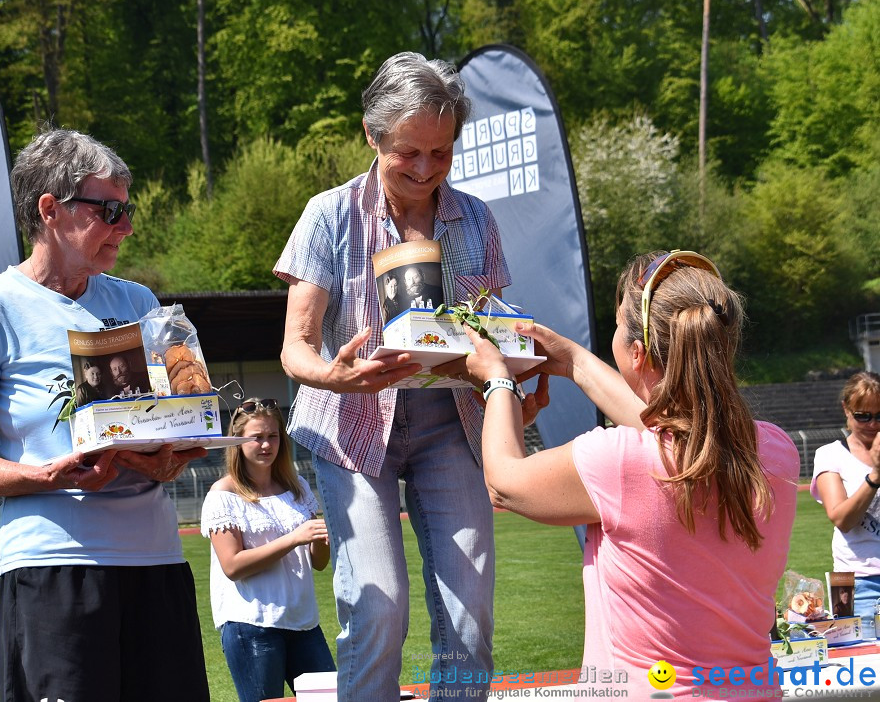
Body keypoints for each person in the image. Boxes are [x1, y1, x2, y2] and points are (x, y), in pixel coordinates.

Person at [439, 250, 799, 698]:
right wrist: (574, 361)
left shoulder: (619, 461)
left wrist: (498, 381)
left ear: (636, 353)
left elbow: (504, 483)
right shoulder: (777, 451)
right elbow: (682, 432)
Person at [0, 128, 210, 701]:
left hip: (156, 559)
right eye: (109, 209)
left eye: (127, 209)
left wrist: (168, 459)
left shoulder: (138, 303)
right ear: (50, 209)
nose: (126, 226)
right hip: (52, 565)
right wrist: (45, 476)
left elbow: (170, 427)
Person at [273, 51, 510, 700]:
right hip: (351, 432)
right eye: (410, 152)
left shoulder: (477, 219)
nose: (427, 169)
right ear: (371, 133)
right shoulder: (329, 215)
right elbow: (295, 348)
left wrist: (517, 375)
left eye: (443, 152)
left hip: (452, 428)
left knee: (471, 620)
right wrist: (335, 375)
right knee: (377, 610)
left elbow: (496, 330)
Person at [200, 398, 335, 702]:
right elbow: (233, 566)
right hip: (252, 626)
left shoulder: (296, 486)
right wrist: (293, 538)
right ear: (238, 442)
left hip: (304, 622)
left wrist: (322, 539)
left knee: (330, 699)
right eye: (256, 437)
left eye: (272, 436)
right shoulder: (223, 494)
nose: (266, 445)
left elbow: (318, 563)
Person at [811, 371, 880, 619]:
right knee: (861, 656)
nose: (873, 424)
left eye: (879, 416)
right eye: (863, 416)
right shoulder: (830, 454)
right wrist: (875, 476)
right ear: (846, 410)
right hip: (855, 581)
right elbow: (842, 519)